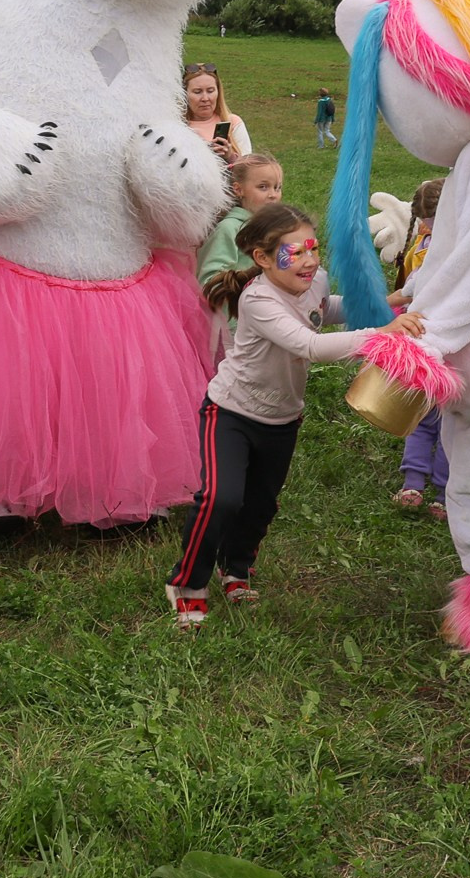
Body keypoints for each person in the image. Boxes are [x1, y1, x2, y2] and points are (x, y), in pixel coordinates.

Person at [165, 203, 417, 626]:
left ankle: (236, 569)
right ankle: (188, 583)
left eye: (312, 248)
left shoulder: (314, 281)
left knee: (260, 504)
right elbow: (310, 345)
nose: (309, 260)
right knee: (221, 498)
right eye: (295, 252)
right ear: (262, 258)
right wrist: (379, 334)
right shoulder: (259, 299)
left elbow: (324, 309)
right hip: (231, 412)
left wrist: (387, 303)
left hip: (282, 419)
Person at [391, 179, 450, 514]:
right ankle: (438, 494)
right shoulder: (455, 246)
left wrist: (378, 304)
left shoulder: (429, 247)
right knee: (445, 420)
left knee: (427, 415)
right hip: (444, 343)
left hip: (427, 339)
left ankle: (417, 486)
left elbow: (407, 292)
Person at [197, 153, 284, 292]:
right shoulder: (229, 229)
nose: (273, 195)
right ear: (238, 189)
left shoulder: (276, 227)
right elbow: (210, 283)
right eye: (263, 187)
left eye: (277, 187)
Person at [182, 63, 252, 162]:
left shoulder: (233, 123)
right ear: (185, 94)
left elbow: (249, 168)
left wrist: (230, 157)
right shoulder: (178, 127)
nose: (205, 98)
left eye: (210, 91)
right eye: (197, 92)